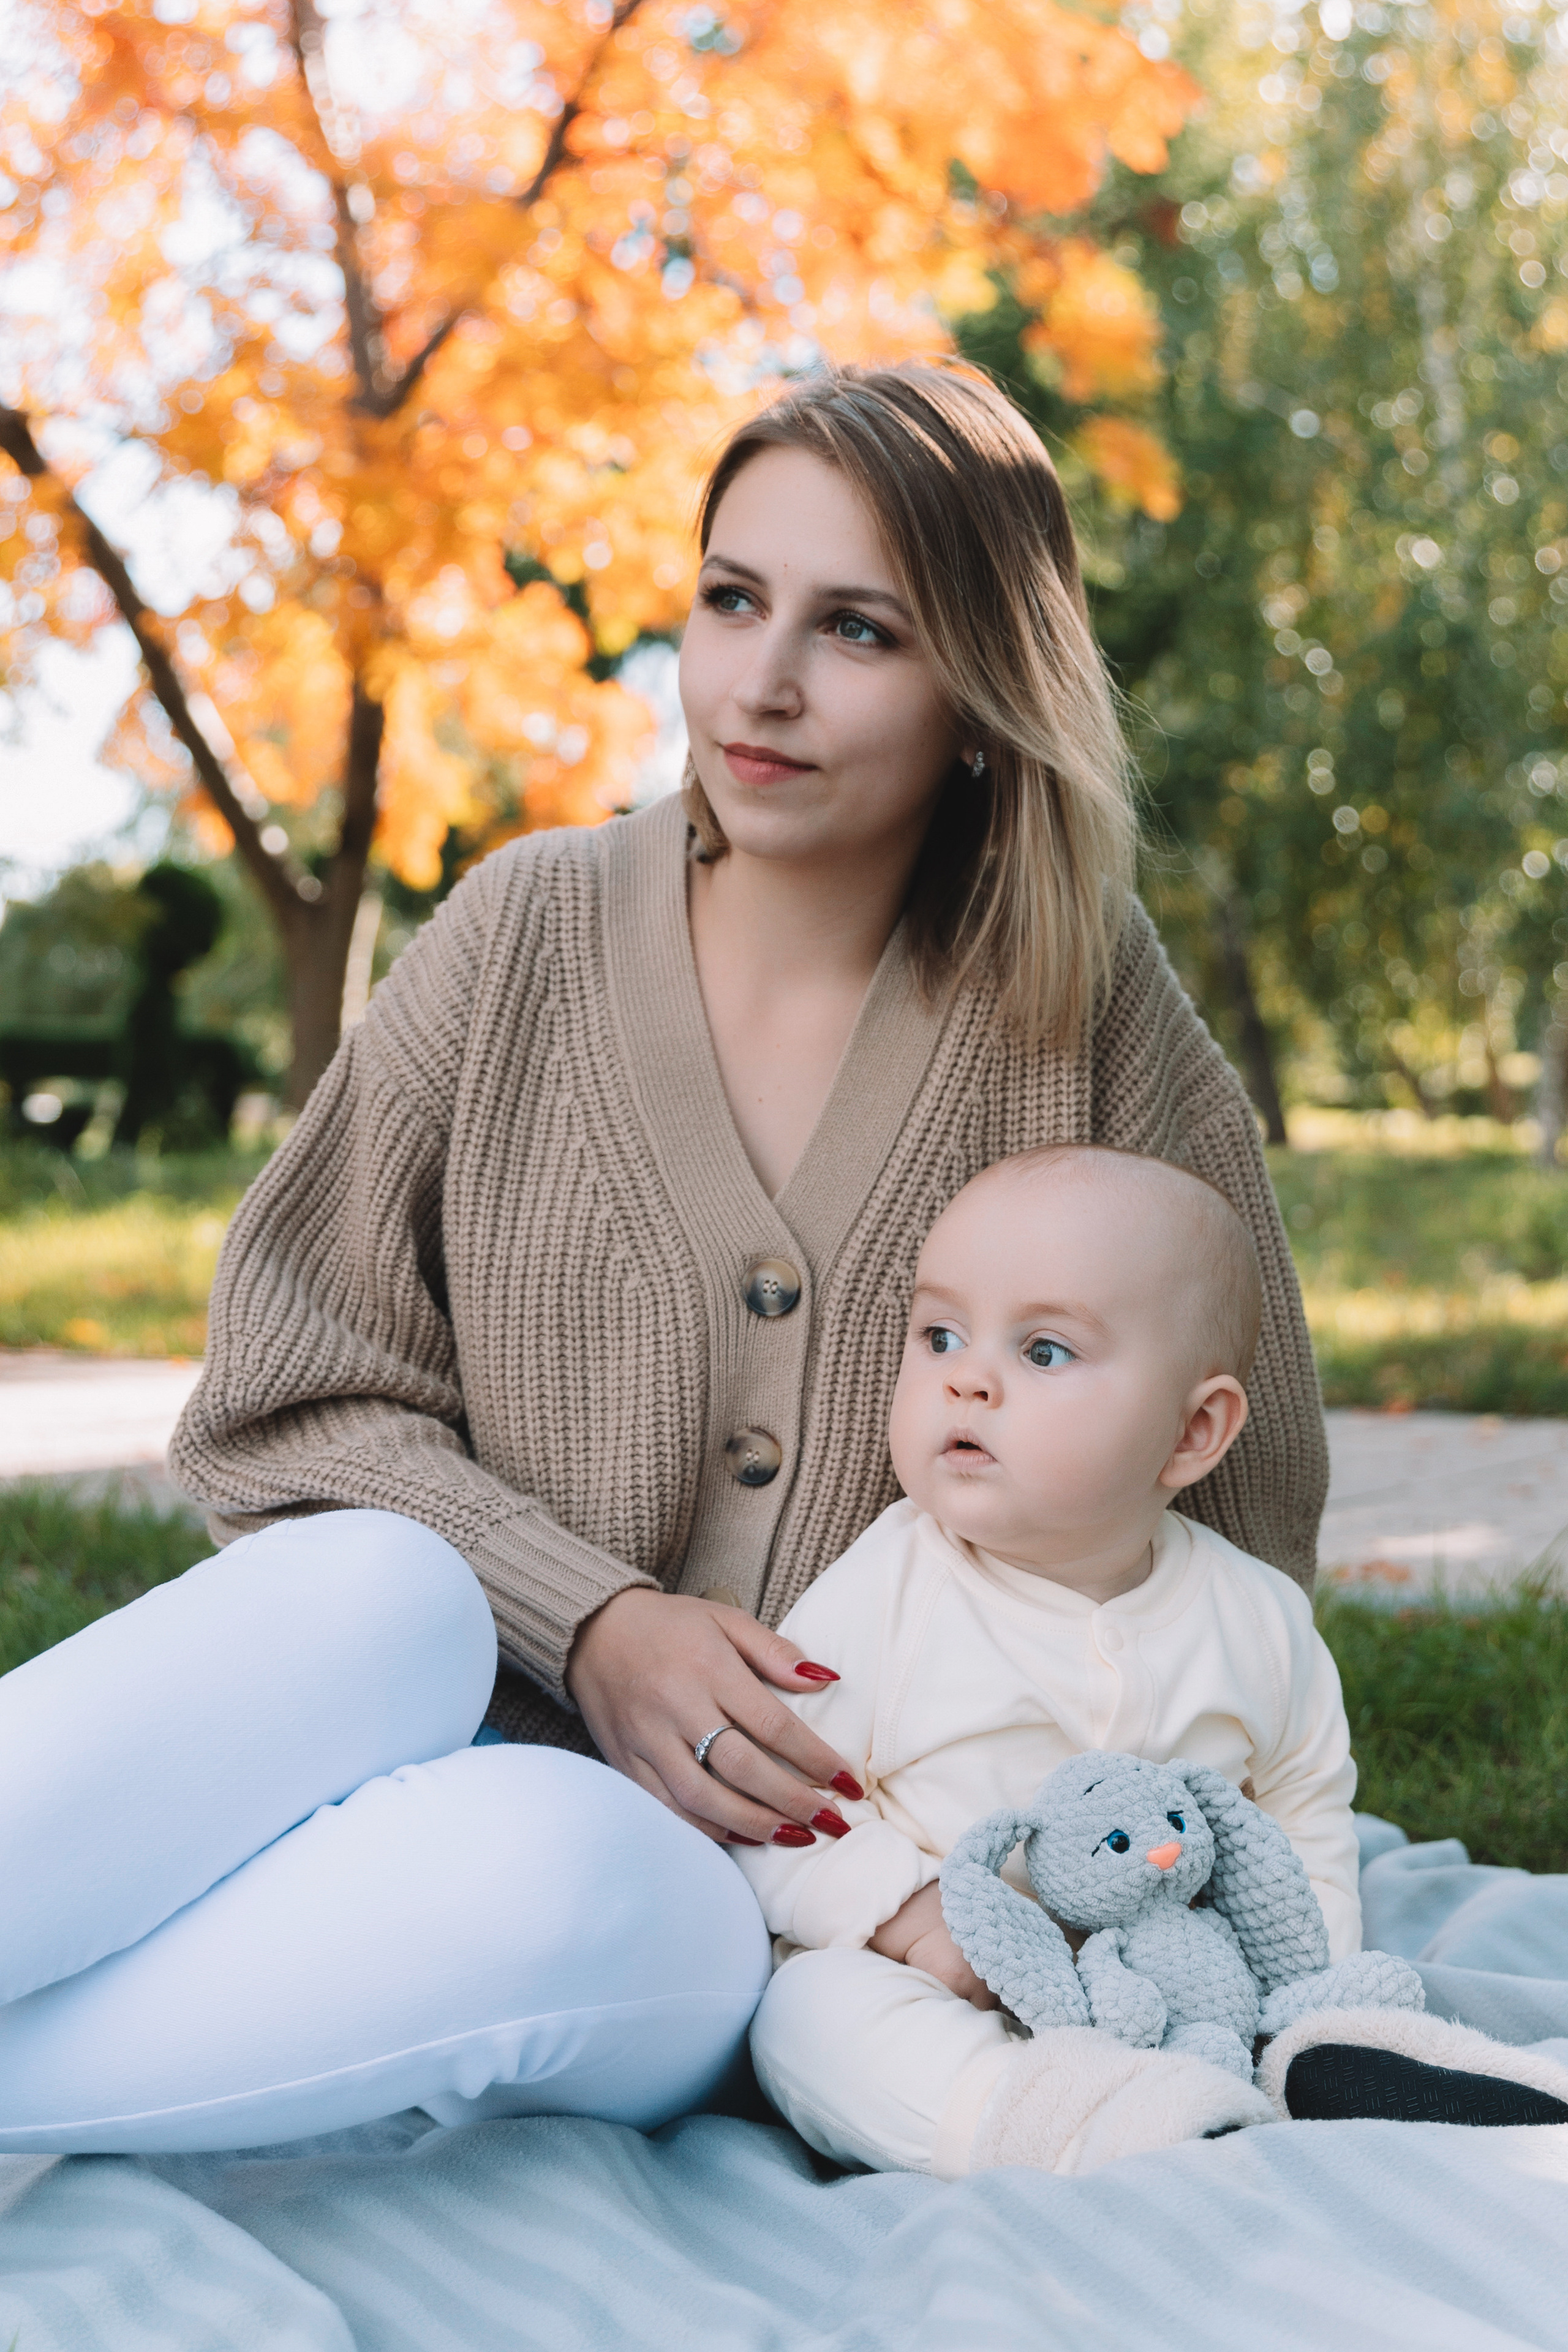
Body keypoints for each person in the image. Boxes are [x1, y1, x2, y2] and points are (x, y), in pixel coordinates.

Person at [0, 364, 1326, 2156]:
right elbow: (282, 1404)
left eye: (857, 628)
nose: (759, 682)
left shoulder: (1083, 1011)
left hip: (767, 1916)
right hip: (428, 1732)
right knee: (378, 1592)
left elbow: (1237, 1523)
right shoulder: (523, 933)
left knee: (570, 1858)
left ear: (985, 694)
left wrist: (1015, 1890)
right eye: (730, 600)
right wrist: (591, 1619)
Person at [736, 1142, 1357, 2179]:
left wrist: (1303, 1972)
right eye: (939, 1336)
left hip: (1176, 1988)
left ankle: (1296, 2060)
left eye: (1045, 1353)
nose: (967, 1380)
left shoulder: (1255, 1616)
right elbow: (782, 1801)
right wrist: (901, 1910)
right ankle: (1056, 2126)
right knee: (808, 2016)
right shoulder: (887, 1591)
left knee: (1322, 2002)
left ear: (1194, 1431)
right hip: (951, 1982)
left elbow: (1306, 1808)